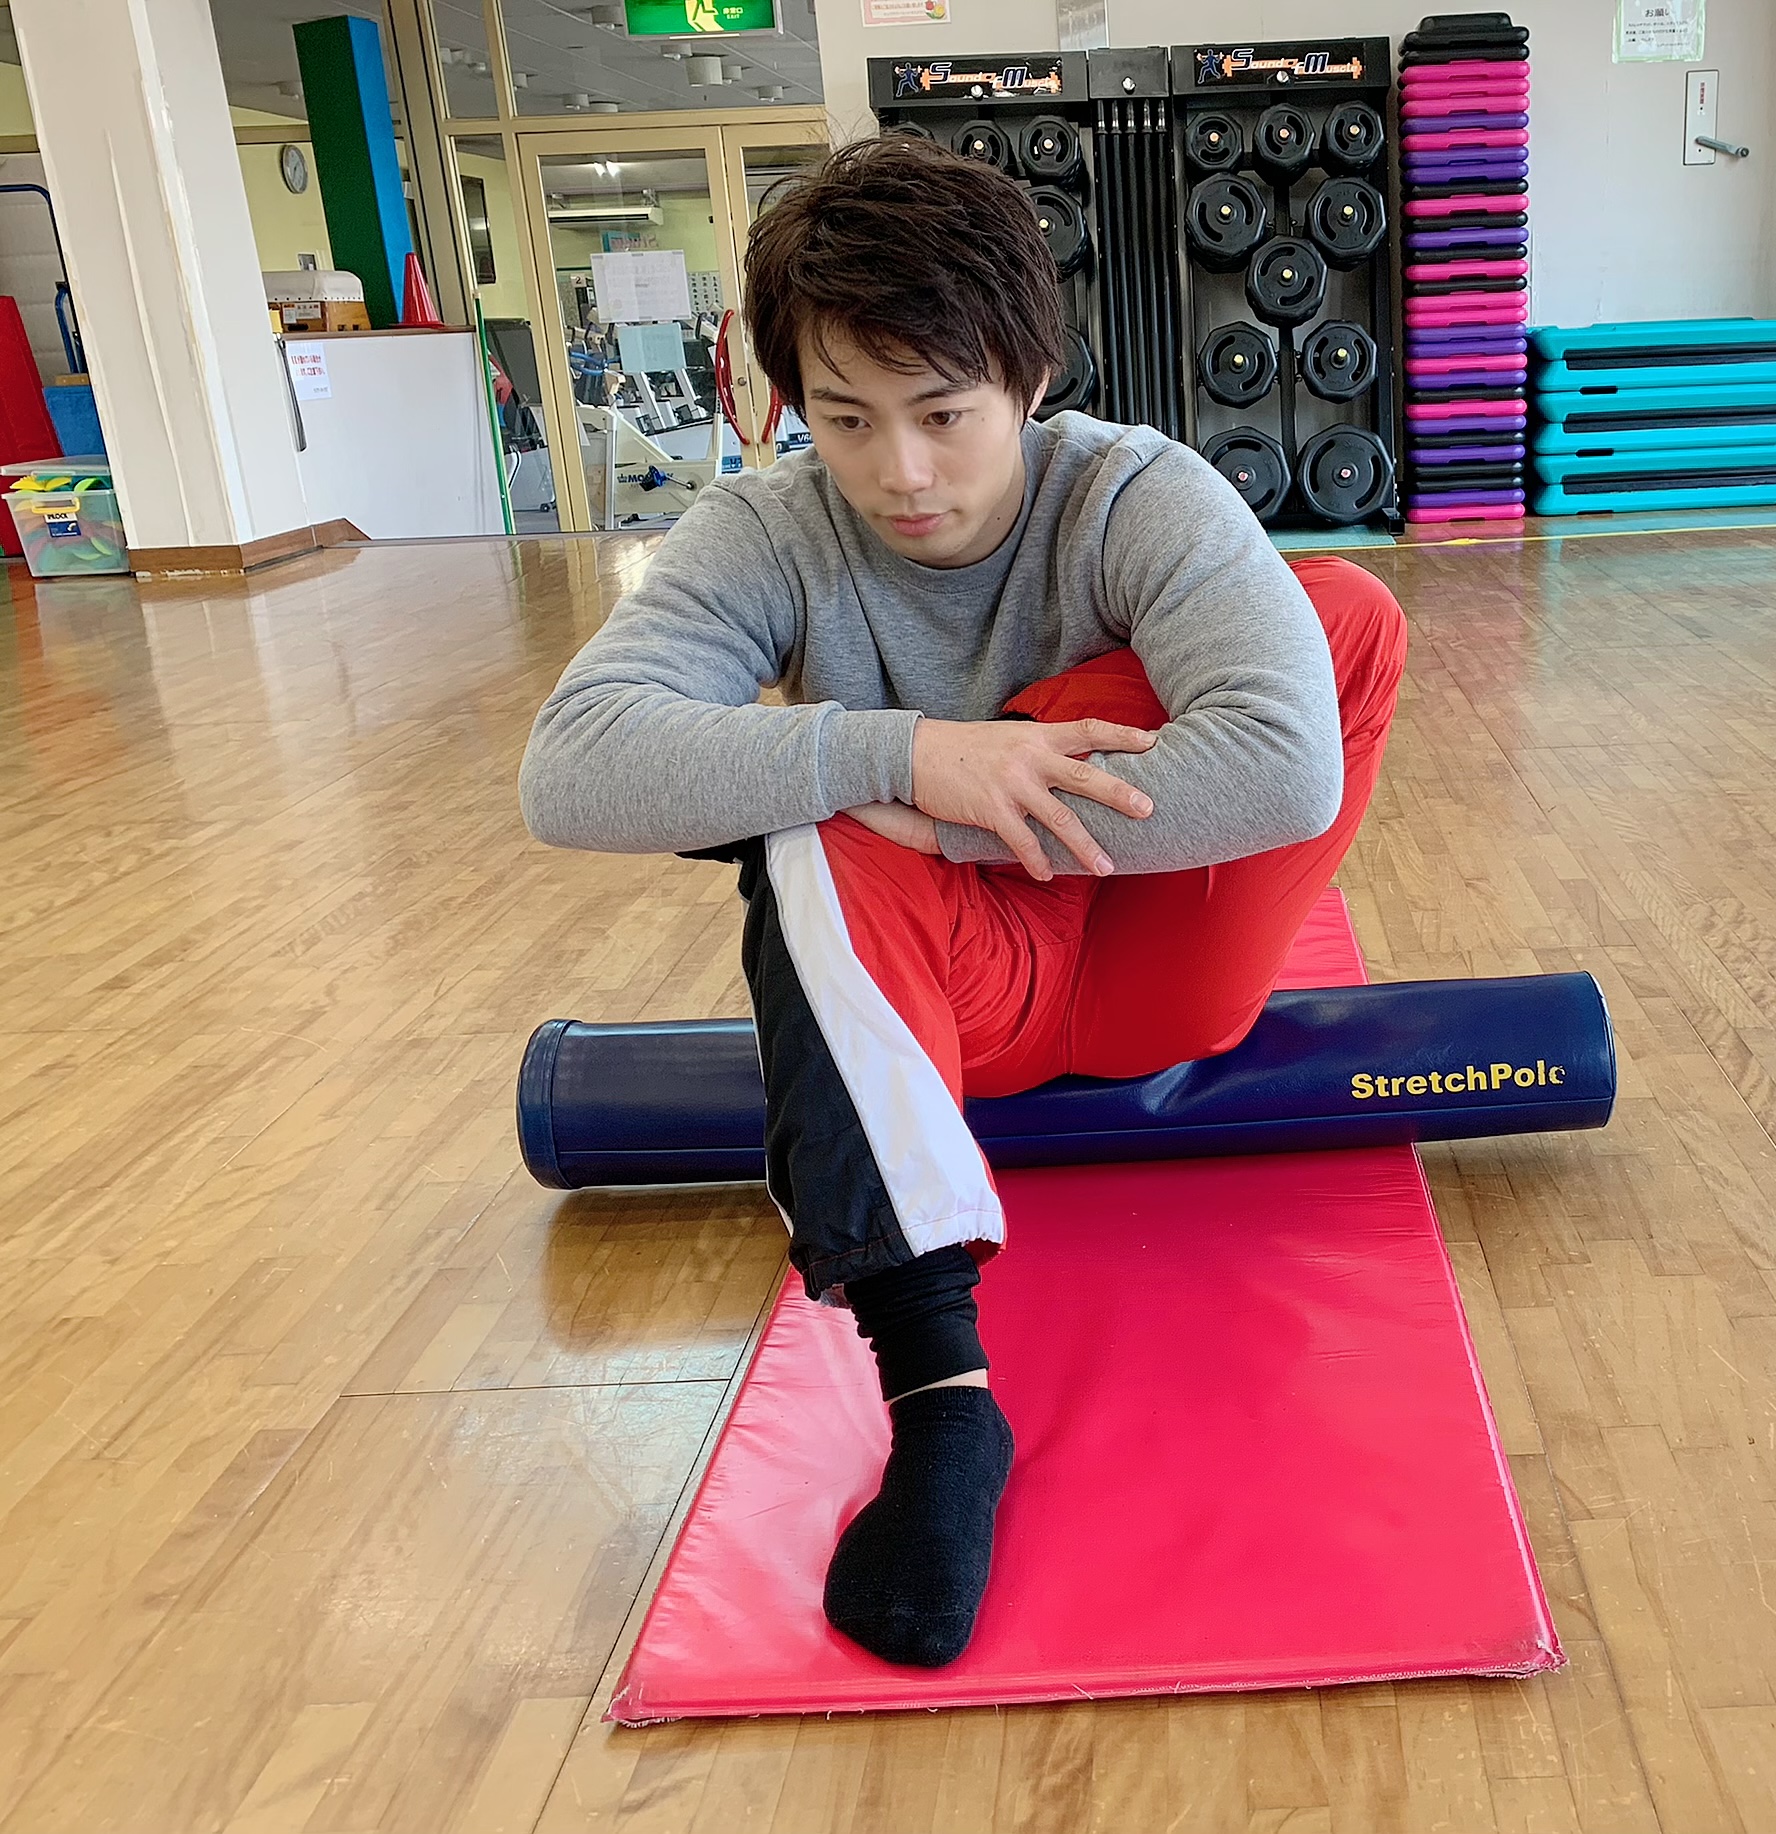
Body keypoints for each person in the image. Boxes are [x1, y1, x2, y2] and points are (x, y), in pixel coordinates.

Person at [519, 134, 1407, 1668]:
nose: (902, 472)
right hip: (961, 999)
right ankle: (942, 1405)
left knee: (1343, 613)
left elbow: (1284, 770)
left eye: (943, 414)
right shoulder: (770, 527)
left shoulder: (1133, 491)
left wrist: (957, 806)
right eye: (846, 419)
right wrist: (905, 754)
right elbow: (570, 768)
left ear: (1030, 376)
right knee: (809, 825)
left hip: (1159, 959)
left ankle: (904, 790)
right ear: (794, 404)